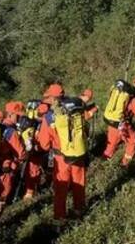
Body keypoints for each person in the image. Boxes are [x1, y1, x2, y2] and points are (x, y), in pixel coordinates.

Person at [38, 85, 88, 225]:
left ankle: (60, 217)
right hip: (78, 152)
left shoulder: (49, 117)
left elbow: (44, 144)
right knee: (79, 183)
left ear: (53, 98)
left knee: (61, 188)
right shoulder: (76, 108)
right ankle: (79, 210)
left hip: (61, 158)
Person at [102, 78, 135, 167]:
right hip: (123, 125)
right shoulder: (133, 98)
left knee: (111, 145)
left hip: (112, 123)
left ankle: (102, 165)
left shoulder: (122, 92)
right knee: (133, 140)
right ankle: (125, 164)